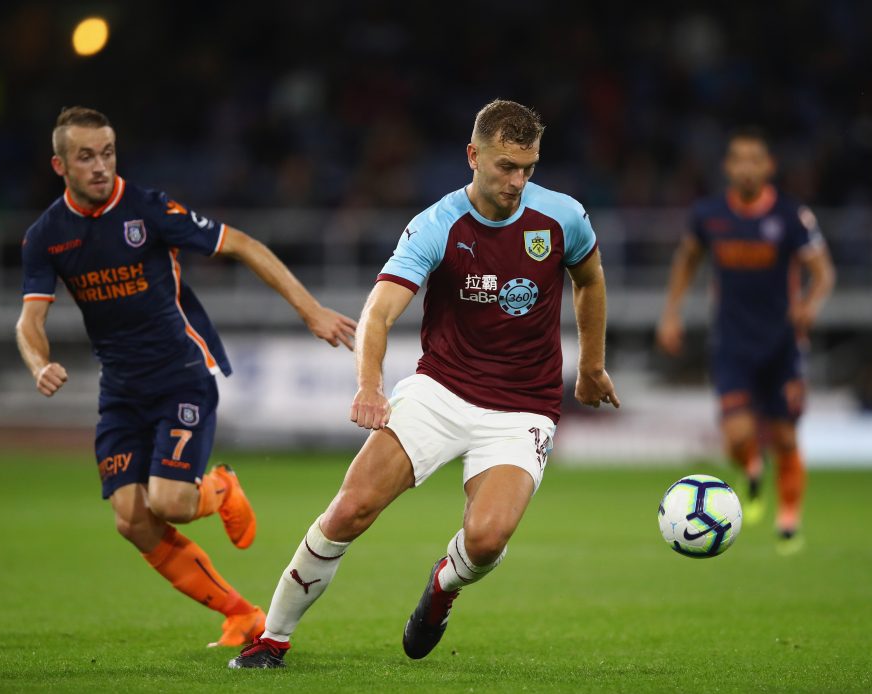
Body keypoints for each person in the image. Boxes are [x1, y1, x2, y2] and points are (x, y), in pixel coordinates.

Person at [229, 99, 620, 669]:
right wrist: (369, 386)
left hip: (523, 409)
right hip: (441, 391)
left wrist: (591, 365)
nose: (517, 181)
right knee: (349, 510)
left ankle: (443, 586)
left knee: (486, 541)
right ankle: (272, 639)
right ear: (472, 156)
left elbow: (590, 278)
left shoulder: (562, 217)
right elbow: (379, 313)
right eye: (505, 167)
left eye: (528, 168)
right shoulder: (438, 224)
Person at [15, 106, 357, 647]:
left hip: (180, 377)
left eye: (107, 152)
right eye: (86, 157)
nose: (100, 166)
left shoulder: (148, 209)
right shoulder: (46, 236)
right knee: (132, 519)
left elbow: (242, 244)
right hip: (121, 393)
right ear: (60, 165)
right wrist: (40, 363)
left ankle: (219, 486)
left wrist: (309, 309)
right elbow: (30, 320)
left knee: (170, 502)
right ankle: (242, 614)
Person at [656, 127, 835, 554]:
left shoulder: (791, 217)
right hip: (732, 343)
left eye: (756, 159)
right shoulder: (709, 215)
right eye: (739, 159)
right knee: (737, 436)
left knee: (786, 438)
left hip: (782, 344)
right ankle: (752, 467)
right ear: (728, 167)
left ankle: (788, 521)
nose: (747, 167)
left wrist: (810, 302)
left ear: (768, 167)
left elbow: (823, 271)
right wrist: (671, 312)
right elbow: (687, 260)